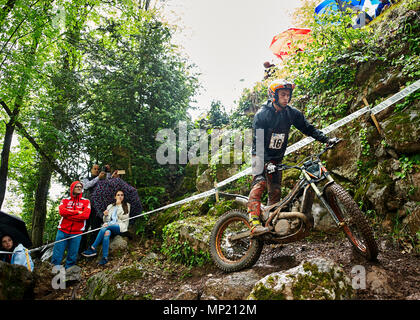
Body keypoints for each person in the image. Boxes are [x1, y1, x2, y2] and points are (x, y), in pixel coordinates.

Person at [248, 79, 337, 236]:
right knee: (260, 183)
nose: (286, 98)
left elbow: (308, 128)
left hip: (276, 158)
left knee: (275, 190)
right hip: (259, 155)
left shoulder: (291, 113)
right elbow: (258, 142)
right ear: (273, 96)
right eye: (282, 94)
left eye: (288, 95)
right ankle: (254, 223)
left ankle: (271, 224)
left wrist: (326, 139)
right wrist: (265, 162)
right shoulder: (262, 115)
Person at [81, 190, 130, 265]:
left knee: (105, 227)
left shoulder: (127, 205)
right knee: (106, 233)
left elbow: (124, 217)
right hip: (109, 226)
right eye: (118, 195)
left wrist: (119, 205)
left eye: (122, 195)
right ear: (115, 196)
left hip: (120, 226)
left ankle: (93, 248)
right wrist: (106, 215)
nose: (120, 196)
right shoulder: (110, 206)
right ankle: (105, 258)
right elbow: (105, 220)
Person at [51, 181, 91, 269]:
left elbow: (85, 215)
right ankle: (54, 275)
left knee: (72, 255)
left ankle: (68, 276)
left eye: (81, 186)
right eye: (77, 186)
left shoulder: (86, 201)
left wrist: (69, 215)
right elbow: (62, 212)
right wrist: (77, 212)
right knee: (57, 255)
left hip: (77, 232)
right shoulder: (65, 200)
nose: (79, 188)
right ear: (72, 188)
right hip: (62, 230)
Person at [80, 164, 119, 252]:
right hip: (87, 207)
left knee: (95, 228)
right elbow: (86, 186)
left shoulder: (102, 179)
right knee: (84, 229)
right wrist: (98, 178)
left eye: (98, 169)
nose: (96, 170)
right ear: (91, 170)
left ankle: (91, 249)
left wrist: (108, 172)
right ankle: (80, 250)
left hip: (97, 208)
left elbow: (108, 183)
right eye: (95, 169)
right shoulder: (86, 179)